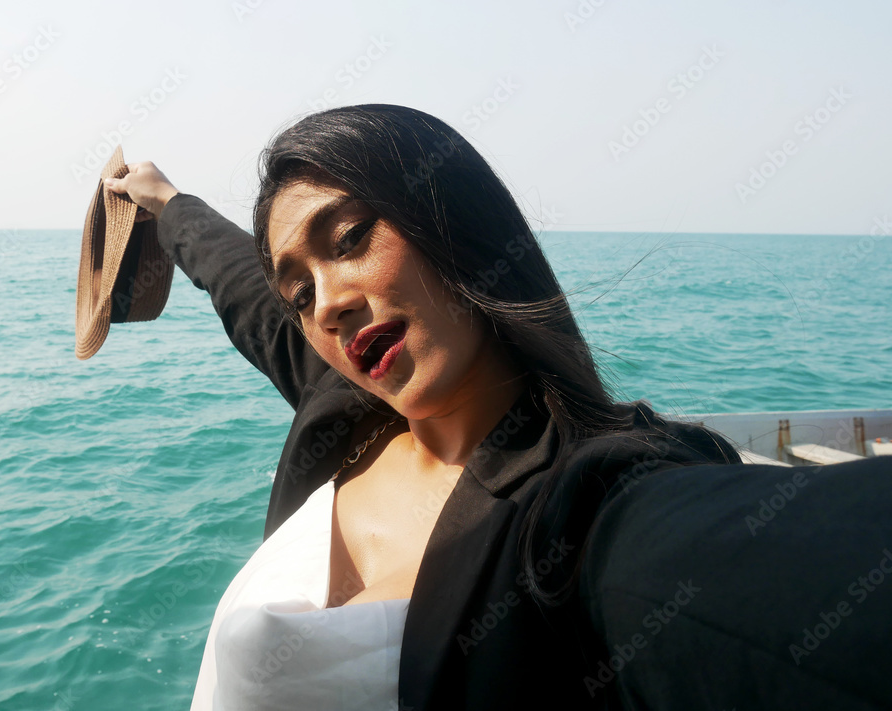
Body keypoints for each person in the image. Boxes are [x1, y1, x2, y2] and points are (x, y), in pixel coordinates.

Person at [106, 104, 892, 710]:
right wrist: (165, 201)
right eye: (302, 292)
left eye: (347, 239)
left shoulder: (578, 519)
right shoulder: (345, 413)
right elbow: (242, 284)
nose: (329, 303)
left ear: (450, 217)